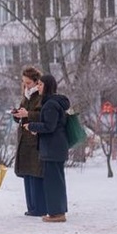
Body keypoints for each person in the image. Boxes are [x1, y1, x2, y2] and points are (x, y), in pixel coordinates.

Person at [27, 73, 70, 223]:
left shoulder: (50, 104)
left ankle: (57, 213)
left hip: (52, 148)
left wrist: (32, 125)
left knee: (54, 182)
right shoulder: (53, 102)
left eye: (40, 84)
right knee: (56, 180)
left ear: (47, 86)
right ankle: (57, 212)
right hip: (55, 147)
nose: (38, 87)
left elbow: (49, 127)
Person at [11, 66, 46, 218]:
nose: (26, 86)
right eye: (24, 83)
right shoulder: (26, 96)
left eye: (28, 83)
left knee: (35, 172)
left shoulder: (41, 95)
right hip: (24, 138)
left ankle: (38, 207)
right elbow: (24, 112)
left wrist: (28, 114)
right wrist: (17, 114)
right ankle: (31, 206)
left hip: (35, 137)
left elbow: (44, 115)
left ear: (36, 82)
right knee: (27, 173)